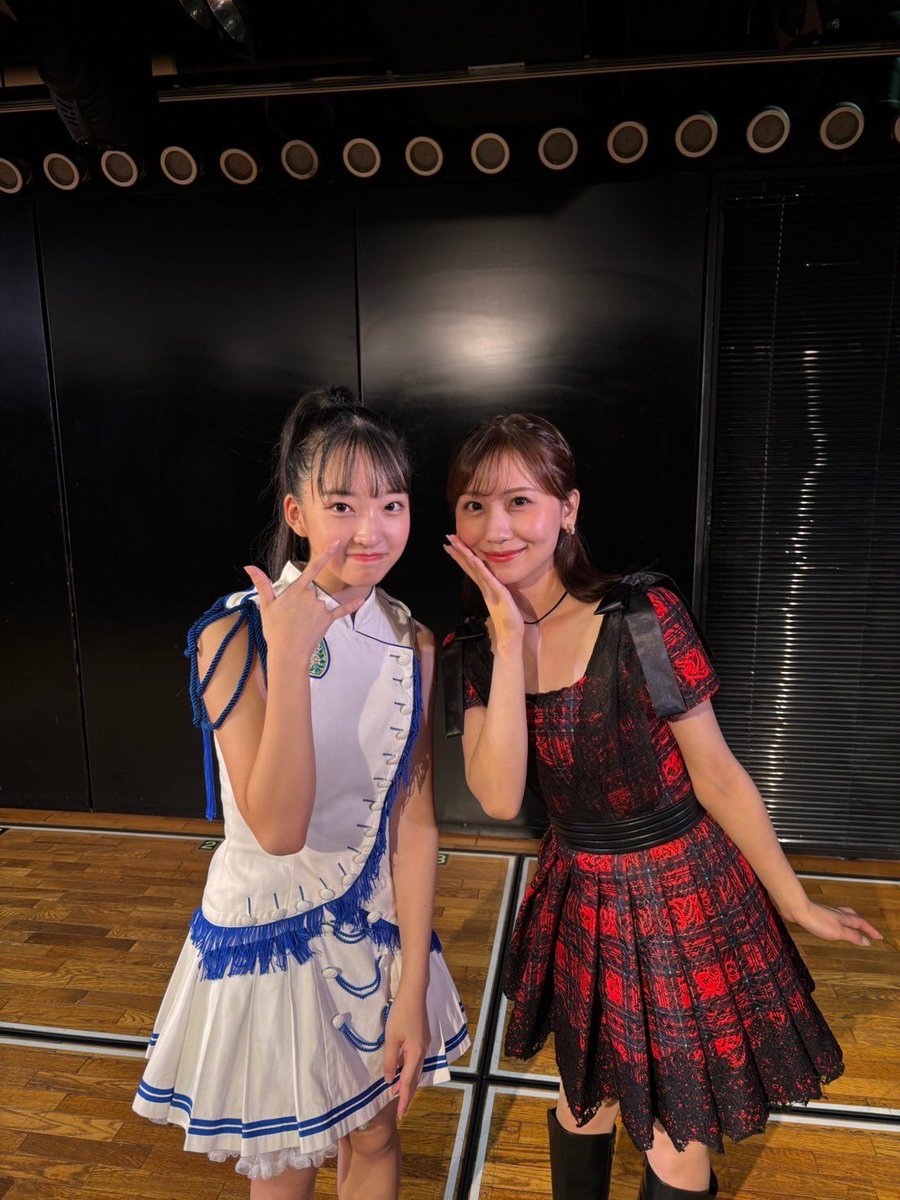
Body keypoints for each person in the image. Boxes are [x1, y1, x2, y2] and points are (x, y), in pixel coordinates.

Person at [440, 412, 880, 1200]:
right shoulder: (474, 649)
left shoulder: (641, 616)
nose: (496, 528)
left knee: (678, 1142)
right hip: (580, 893)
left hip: (682, 891)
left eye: (519, 501)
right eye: (475, 505)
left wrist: (796, 901)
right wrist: (507, 643)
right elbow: (501, 797)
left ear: (567, 509)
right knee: (585, 1100)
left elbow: (718, 776)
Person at [133, 387, 469, 1200]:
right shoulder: (232, 632)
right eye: (343, 504)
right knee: (288, 1160)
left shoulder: (412, 638)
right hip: (270, 936)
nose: (371, 529)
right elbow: (279, 828)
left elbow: (414, 822)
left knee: (376, 1132)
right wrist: (287, 657)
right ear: (298, 511)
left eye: (392, 504)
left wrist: (413, 990)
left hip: (375, 928)